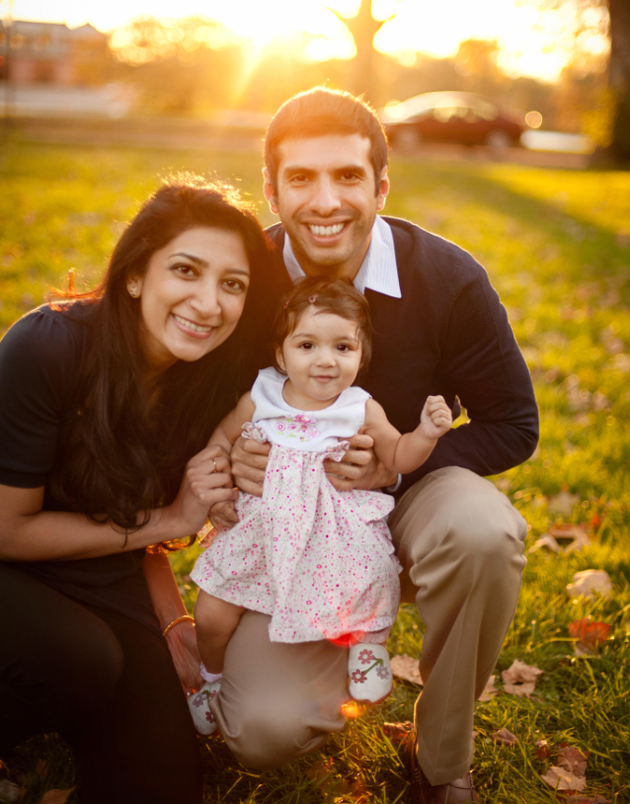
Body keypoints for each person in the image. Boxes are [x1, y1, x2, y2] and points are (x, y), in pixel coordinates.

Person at [208, 88, 539, 804]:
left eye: (348, 177)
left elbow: (514, 423)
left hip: (412, 494)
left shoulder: (449, 279)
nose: (325, 201)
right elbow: (200, 412)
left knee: (482, 532)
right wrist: (228, 463)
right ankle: (333, 650)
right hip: (290, 528)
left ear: (382, 185)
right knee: (258, 730)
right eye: (301, 179)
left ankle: (442, 760)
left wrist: (388, 470)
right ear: (271, 189)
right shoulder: (243, 279)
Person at [0, 176, 288, 804]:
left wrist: (171, 620)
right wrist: (172, 517)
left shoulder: (211, 379)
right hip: (8, 564)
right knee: (79, 659)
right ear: (135, 274)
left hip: (103, 577)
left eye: (231, 284)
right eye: (186, 270)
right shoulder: (47, 347)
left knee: (162, 786)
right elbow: (9, 530)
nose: (208, 304)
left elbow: (131, 519)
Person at [186, 278, 452, 731]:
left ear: (361, 354)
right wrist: (220, 485)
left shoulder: (359, 407)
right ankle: (212, 678)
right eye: (307, 344)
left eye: (343, 347)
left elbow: (397, 454)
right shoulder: (260, 397)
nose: (326, 360)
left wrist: (426, 433)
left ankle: (367, 647)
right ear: (280, 353)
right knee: (211, 611)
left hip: (334, 532)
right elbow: (222, 439)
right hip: (262, 530)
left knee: (370, 575)